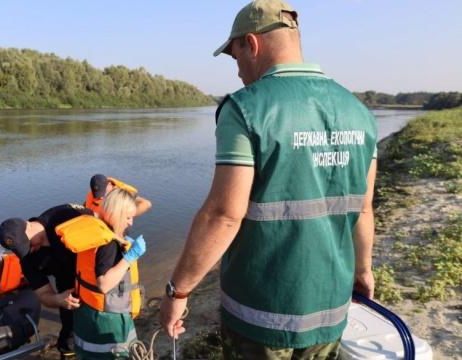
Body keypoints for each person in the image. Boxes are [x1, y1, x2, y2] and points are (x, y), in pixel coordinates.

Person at [159, 1, 378, 359]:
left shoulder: (246, 108)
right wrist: (363, 271)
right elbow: (363, 210)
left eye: (235, 57)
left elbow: (224, 216)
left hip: (261, 317)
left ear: (252, 43)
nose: (238, 72)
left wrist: (177, 292)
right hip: (329, 309)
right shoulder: (359, 112)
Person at [0, 203, 93, 357]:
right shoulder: (27, 258)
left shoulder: (64, 215)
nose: (30, 249)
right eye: (23, 249)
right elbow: (43, 294)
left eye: (27, 244)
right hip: (68, 290)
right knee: (69, 338)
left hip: (94, 278)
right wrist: (59, 300)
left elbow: (104, 227)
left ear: (28, 225)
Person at [70, 188, 146, 359]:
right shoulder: (108, 243)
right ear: (114, 213)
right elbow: (104, 285)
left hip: (88, 311)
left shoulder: (94, 231)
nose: (131, 223)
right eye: (127, 217)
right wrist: (130, 257)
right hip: (106, 318)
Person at [85, 174, 152, 217]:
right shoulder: (93, 192)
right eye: (97, 194)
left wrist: (128, 216)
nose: (101, 197)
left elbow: (146, 203)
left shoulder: (120, 193)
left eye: (103, 192)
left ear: (109, 185)